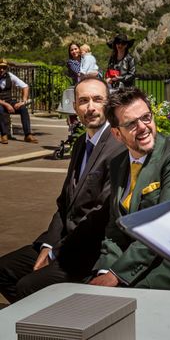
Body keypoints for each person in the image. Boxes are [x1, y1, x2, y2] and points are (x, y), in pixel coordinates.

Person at [0, 77, 125, 302]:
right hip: (62, 240)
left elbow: (100, 217)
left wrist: (56, 252)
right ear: (75, 107)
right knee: (3, 271)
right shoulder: (80, 144)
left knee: (27, 287)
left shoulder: (117, 148)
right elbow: (64, 204)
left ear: (109, 104)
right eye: (83, 101)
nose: (91, 107)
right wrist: (49, 244)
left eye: (98, 99)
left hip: (88, 250)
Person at [89, 87, 170, 292]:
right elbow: (114, 228)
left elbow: (164, 225)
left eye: (146, 117)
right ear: (117, 134)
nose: (143, 127)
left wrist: (116, 275)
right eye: (131, 124)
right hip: (134, 263)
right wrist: (105, 270)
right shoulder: (118, 163)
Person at [0, 58, 38, 144]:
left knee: (23, 108)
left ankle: (28, 135)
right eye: (0, 67)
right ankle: (3, 135)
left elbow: (25, 86)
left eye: (4, 67)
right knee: (0, 109)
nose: (2, 69)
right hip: (1, 103)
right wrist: (6, 105)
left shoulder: (10, 75)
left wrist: (23, 101)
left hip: (8, 101)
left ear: (6, 68)